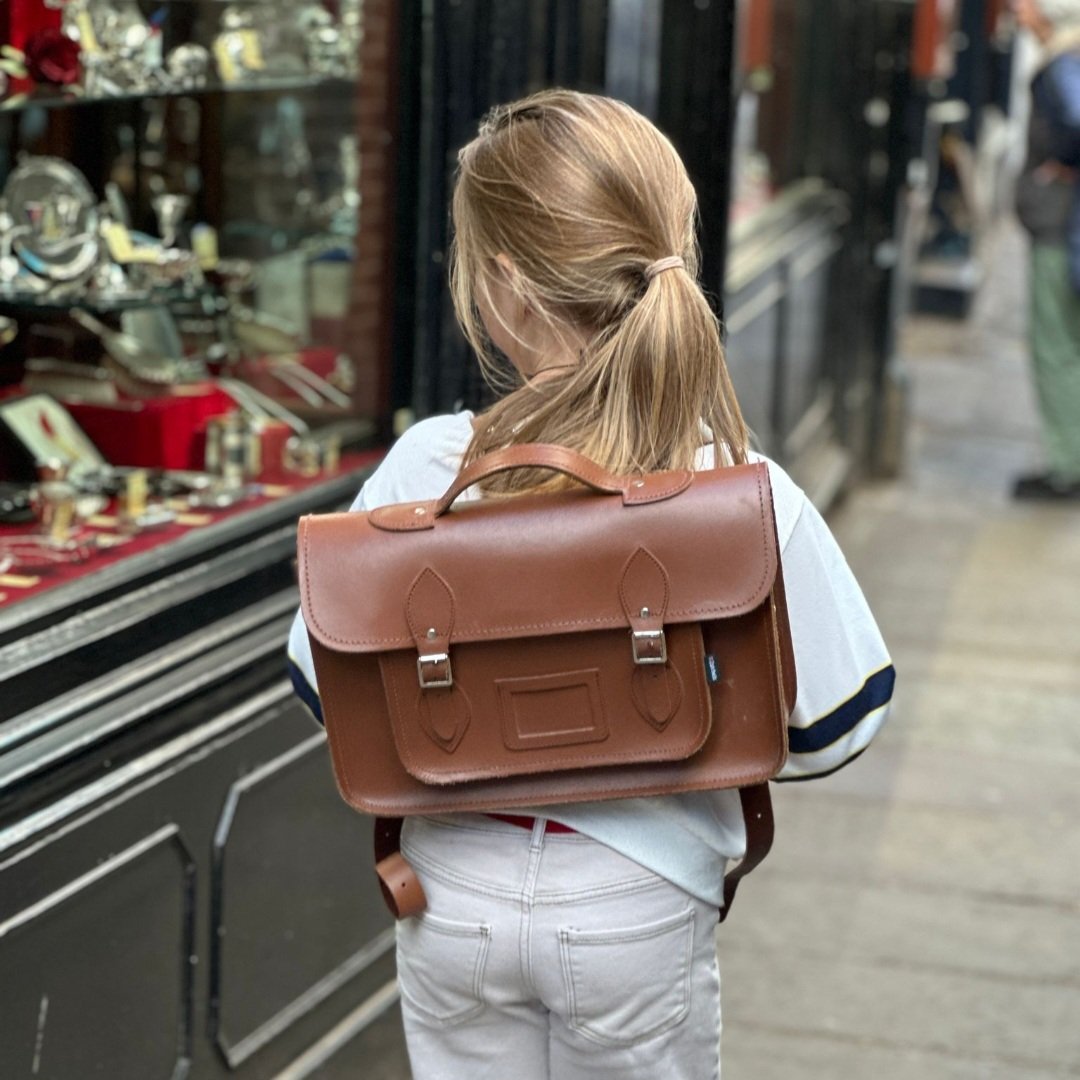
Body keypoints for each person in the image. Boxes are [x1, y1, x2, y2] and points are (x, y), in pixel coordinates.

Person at [288, 90, 895, 1080]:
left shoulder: (425, 469)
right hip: (639, 900)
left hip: (451, 897)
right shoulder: (737, 491)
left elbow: (327, 693)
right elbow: (839, 725)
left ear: (500, 284)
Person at [1013, 0, 1080, 500]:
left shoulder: (1062, 63)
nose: (1018, 14)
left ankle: (1067, 466)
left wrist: (1062, 162)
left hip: (1062, 227)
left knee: (1055, 345)